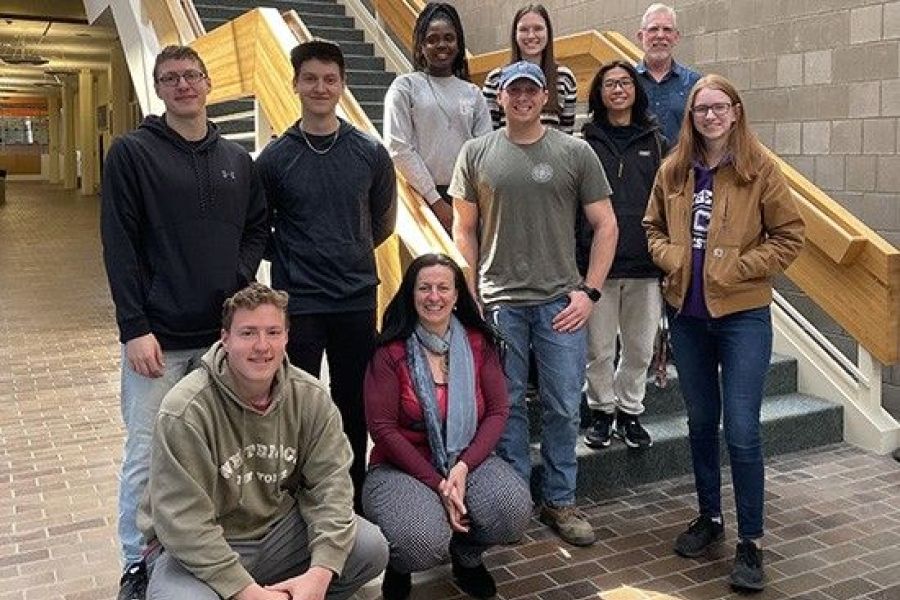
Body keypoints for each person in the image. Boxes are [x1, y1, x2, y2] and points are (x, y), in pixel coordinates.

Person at [100, 44, 268, 600]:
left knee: (221, 453)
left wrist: (238, 281)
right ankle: (137, 563)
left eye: (191, 76)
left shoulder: (238, 160)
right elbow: (119, 245)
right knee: (148, 455)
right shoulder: (132, 154)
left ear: (207, 83)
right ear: (159, 88)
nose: (183, 85)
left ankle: (208, 550)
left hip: (221, 343)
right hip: (160, 341)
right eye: (170, 78)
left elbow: (256, 227)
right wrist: (133, 326)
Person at [644, 74, 804, 591]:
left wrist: (735, 267)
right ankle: (710, 519)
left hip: (742, 318)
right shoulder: (674, 170)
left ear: (736, 111)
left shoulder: (760, 171)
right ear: (690, 117)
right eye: (699, 109)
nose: (709, 116)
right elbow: (652, 229)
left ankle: (751, 542)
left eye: (718, 107)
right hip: (686, 318)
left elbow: (789, 237)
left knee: (742, 428)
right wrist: (673, 258)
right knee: (699, 422)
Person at [452, 61, 618, 547]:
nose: (522, 98)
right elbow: (464, 227)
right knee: (506, 409)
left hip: (558, 303)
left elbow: (606, 225)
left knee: (564, 405)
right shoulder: (477, 152)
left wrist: (589, 292)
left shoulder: (574, 152)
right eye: (512, 90)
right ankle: (517, 498)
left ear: (545, 96)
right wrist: (472, 287)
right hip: (500, 303)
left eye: (531, 90)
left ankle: (561, 500)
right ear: (499, 98)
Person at [138, 283, 389, 600]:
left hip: (278, 533)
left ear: (286, 337)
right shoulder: (185, 410)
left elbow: (331, 489)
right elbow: (183, 523)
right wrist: (247, 592)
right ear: (225, 339)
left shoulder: (311, 398)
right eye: (247, 333)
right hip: (206, 544)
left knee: (369, 547)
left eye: (273, 332)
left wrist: (319, 574)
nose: (262, 345)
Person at [256, 40, 397, 513]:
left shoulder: (369, 153)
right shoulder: (275, 159)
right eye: (311, 78)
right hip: (300, 303)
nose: (320, 87)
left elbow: (381, 223)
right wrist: (298, 257)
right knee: (294, 406)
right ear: (295, 84)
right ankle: (296, 499)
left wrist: (348, 251)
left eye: (329, 79)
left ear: (342, 85)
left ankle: (351, 499)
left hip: (356, 299)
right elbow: (259, 228)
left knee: (352, 405)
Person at [362, 254, 532, 600]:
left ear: (457, 296)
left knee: (512, 509)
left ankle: (467, 558)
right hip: (402, 466)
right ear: (411, 294)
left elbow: (499, 411)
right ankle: (401, 565)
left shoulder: (477, 342)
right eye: (424, 288)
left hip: (467, 458)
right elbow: (382, 430)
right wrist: (439, 482)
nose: (434, 296)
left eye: (443, 288)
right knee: (421, 539)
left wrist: (464, 468)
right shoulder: (390, 352)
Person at [577, 61, 668, 451]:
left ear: (636, 90)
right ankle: (601, 411)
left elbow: (668, 202)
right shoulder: (584, 142)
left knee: (639, 346)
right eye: (610, 84)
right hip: (597, 266)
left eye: (625, 83)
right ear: (599, 92)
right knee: (597, 348)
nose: (618, 89)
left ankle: (630, 411)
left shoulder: (657, 142)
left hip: (645, 264)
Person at [383, 2, 491, 233]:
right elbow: (398, 147)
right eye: (432, 39)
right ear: (421, 46)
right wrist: (436, 201)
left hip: (467, 200)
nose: (441, 44)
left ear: (459, 44)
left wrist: (471, 202)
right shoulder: (405, 87)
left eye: (449, 38)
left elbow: (484, 151)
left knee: (468, 268)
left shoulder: (473, 93)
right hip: (420, 198)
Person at [481, 4, 577, 134]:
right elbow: (489, 133)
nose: (531, 35)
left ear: (548, 32)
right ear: (515, 34)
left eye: (538, 28)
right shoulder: (495, 79)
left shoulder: (565, 78)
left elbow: (567, 136)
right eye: (524, 29)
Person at [635, 3, 701, 144]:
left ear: (676, 37)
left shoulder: (695, 83)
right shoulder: (628, 82)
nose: (660, 35)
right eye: (653, 29)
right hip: (639, 165)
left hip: (683, 165)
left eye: (667, 29)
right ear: (641, 36)